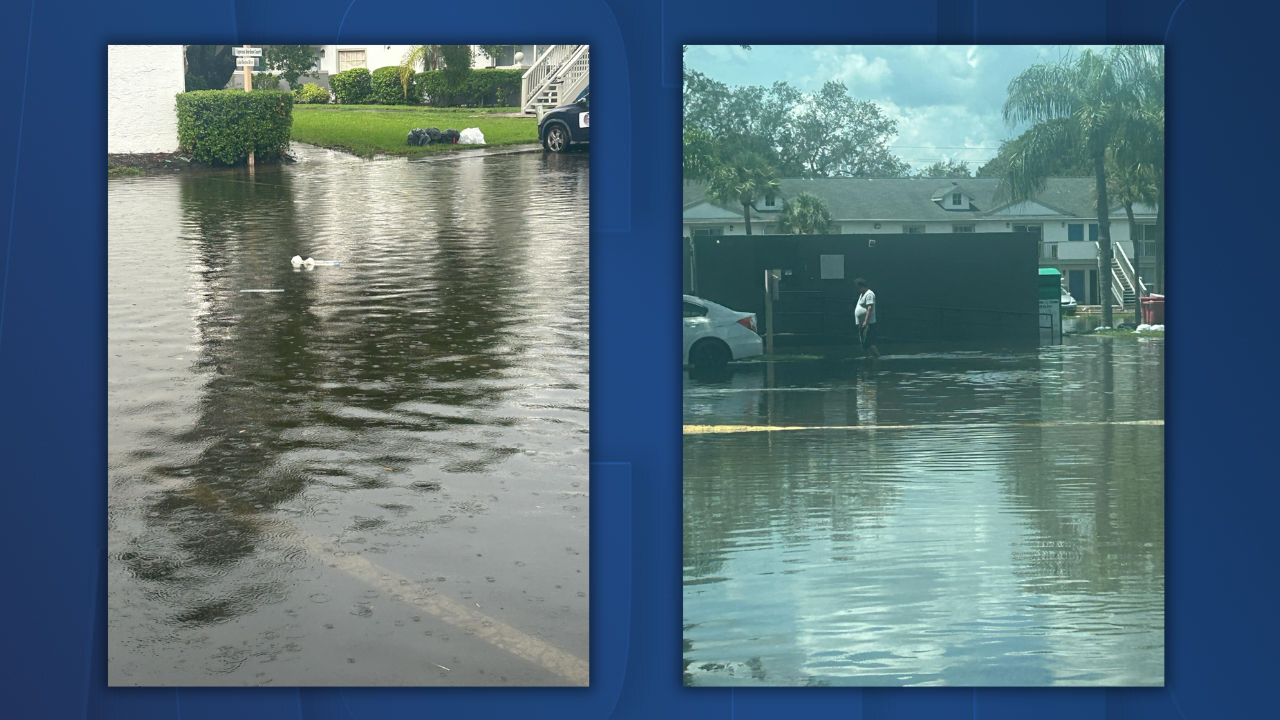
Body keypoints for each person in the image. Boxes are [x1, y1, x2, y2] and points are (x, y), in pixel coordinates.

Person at [854, 278, 879, 359]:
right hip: (861, 323)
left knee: (867, 342)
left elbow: (870, 308)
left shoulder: (869, 294)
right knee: (863, 343)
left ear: (862, 286)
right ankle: (869, 357)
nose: (857, 289)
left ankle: (877, 356)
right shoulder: (862, 294)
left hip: (868, 323)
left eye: (858, 287)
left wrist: (865, 321)